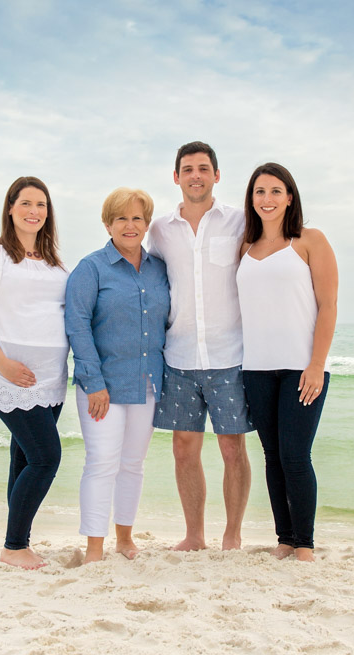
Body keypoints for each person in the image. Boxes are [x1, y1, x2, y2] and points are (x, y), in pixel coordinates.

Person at [145, 141, 253, 551]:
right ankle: (194, 536)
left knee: (231, 446)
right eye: (187, 169)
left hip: (230, 355)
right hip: (179, 356)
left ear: (216, 175)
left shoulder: (240, 222)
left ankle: (232, 535)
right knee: (183, 447)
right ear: (176, 177)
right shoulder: (159, 230)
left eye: (203, 168)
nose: (196, 175)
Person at [0, 176, 69, 570]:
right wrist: (2, 364)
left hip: (51, 376)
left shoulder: (55, 260)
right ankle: (13, 546)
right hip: (11, 373)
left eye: (41, 204)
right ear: (10, 208)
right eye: (25, 203)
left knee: (24, 458)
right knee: (46, 457)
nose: (34, 211)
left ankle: (18, 541)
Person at [236, 162, 338, 562]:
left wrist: (317, 364)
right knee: (272, 456)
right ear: (252, 199)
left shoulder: (310, 240)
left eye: (276, 191)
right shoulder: (245, 248)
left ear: (290, 197)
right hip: (256, 368)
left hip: (301, 366)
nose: (267, 199)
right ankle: (284, 537)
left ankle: (305, 544)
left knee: (296, 456)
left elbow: (328, 306)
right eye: (260, 192)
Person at [65, 188, 170, 564]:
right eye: (121, 218)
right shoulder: (90, 268)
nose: (130, 225)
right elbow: (77, 326)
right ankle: (95, 547)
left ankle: (125, 539)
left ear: (147, 224)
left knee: (132, 464)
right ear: (107, 224)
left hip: (147, 385)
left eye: (138, 218)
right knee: (102, 462)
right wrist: (94, 383)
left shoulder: (159, 269)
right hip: (103, 388)